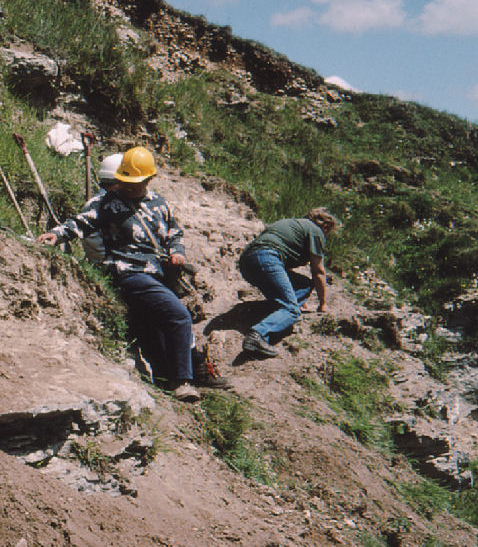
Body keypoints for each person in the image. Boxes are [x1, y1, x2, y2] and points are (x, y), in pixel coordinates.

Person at [38, 146, 230, 398]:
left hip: (156, 274)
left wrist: (177, 251)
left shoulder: (159, 203)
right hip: (127, 272)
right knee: (178, 315)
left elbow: (174, 232)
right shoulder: (107, 203)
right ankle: (183, 381)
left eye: (136, 183)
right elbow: (81, 222)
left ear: (149, 179)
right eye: (125, 182)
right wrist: (57, 233)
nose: (130, 188)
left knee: (153, 330)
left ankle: (166, 383)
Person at [238, 208, 340, 358]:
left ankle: (276, 313)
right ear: (325, 226)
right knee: (292, 310)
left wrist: (294, 295)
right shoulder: (315, 231)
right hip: (268, 258)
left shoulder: (291, 224)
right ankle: (258, 335)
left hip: (247, 262)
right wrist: (323, 304)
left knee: (304, 284)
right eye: (328, 232)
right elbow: (318, 271)